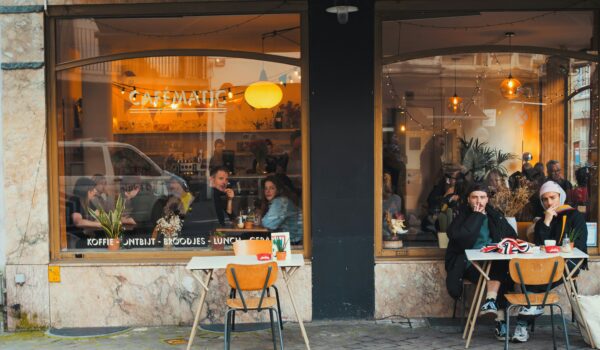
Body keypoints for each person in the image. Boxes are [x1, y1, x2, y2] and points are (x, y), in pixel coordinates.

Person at [509, 180, 590, 343]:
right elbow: (540, 246)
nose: (549, 202)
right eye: (545, 199)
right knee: (534, 277)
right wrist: (546, 222)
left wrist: (558, 252)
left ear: (560, 197)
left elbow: (579, 248)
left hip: (570, 263)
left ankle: (524, 321)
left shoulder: (575, 216)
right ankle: (531, 311)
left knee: (533, 283)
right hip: (545, 263)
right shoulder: (541, 221)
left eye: (552, 197)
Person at [445, 182, 517, 342]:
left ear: (487, 199)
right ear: (468, 199)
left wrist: (502, 244)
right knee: (500, 274)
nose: (479, 201)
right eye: (474, 197)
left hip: (493, 261)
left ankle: (491, 302)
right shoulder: (462, 215)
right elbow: (461, 239)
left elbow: (511, 235)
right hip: (470, 264)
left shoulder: (494, 214)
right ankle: (500, 320)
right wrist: (476, 217)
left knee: (502, 267)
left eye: (482, 197)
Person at [259, 175, 303, 245]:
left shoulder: (280, 202)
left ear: (278, 190)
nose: (268, 191)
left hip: (293, 243)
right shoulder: (280, 201)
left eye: (272, 188)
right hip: (290, 240)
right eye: (265, 188)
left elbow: (268, 224)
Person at [383, 172, 403, 238]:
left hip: (392, 234)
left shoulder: (396, 199)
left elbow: (399, 220)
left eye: (388, 181)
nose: (387, 184)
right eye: (385, 180)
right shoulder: (375, 200)